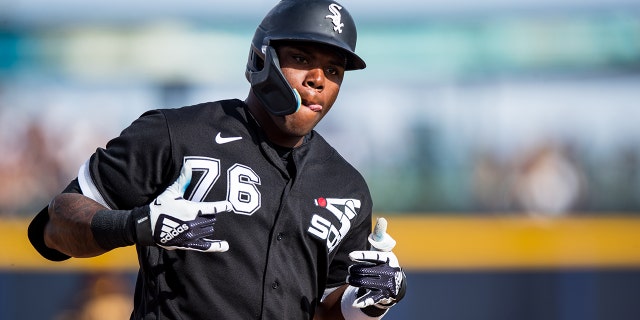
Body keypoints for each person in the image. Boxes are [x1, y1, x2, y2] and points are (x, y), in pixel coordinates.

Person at [28, 0, 406, 319]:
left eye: (333, 70)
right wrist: (136, 225)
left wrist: (365, 302)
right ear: (262, 58)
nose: (317, 79)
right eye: (302, 58)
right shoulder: (176, 134)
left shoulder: (346, 185)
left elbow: (324, 309)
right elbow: (53, 229)